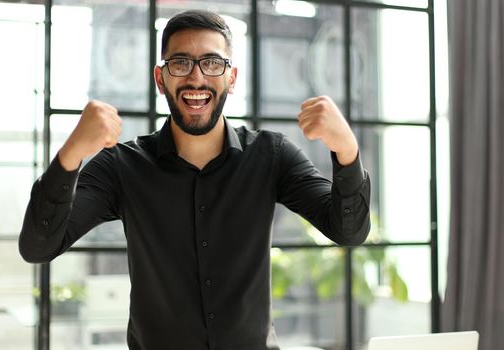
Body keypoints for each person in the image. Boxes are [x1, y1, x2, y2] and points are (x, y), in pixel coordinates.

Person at [19, 9, 371, 350]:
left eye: (212, 63)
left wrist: (347, 150)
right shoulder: (121, 166)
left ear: (231, 79)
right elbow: (38, 246)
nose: (197, 78)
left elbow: (348, 230)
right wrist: (71, 154)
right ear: (161, 79)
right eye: (181, 62)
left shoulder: (272, 155)